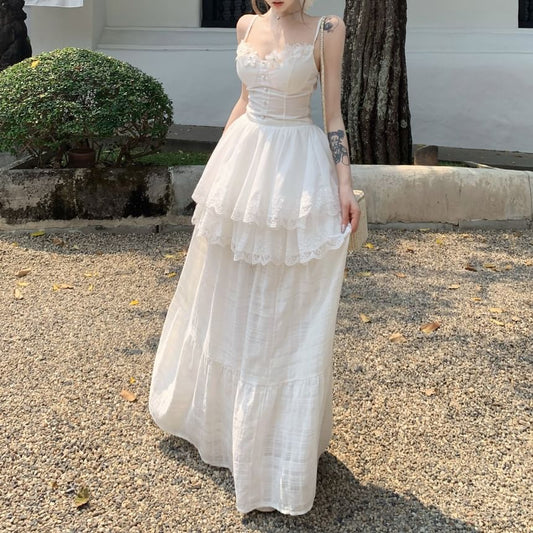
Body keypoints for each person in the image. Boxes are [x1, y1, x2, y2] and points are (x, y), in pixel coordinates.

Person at [149, 0, 361, 515]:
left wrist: (345, 185)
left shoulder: (327, 29)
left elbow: (332, 115)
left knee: (280, 309)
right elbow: (244, 100)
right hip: (243, 165)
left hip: (295, 171)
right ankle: (218, 425)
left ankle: (273, 452)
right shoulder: (245, 25)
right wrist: (217, 172)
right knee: (227, 295)